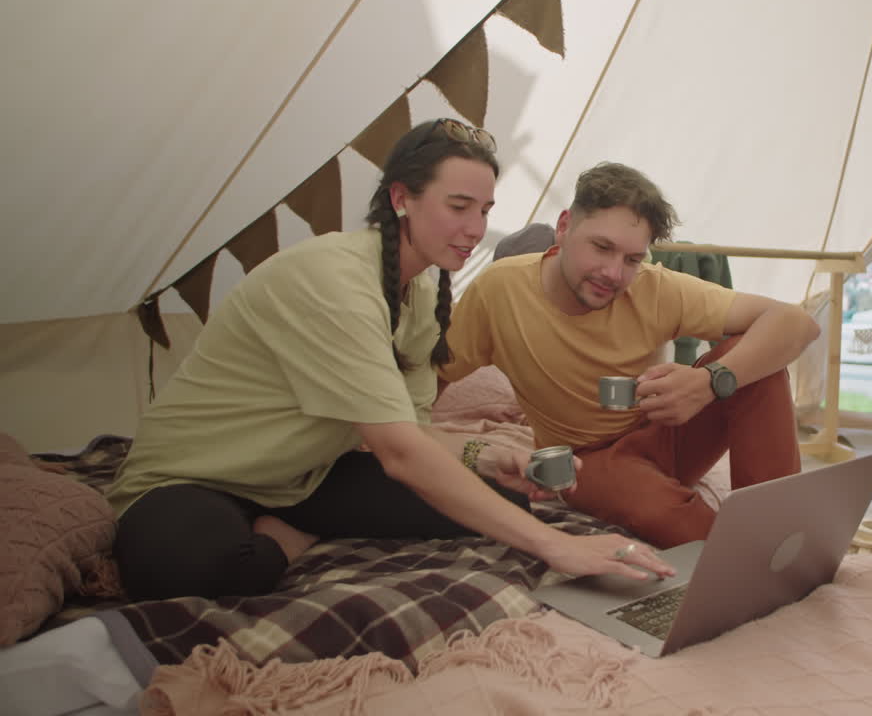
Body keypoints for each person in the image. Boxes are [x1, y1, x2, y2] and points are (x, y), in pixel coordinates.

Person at [106, 120, 673, 601]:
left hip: (303, 476)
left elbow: (416, 431)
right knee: (181, 569)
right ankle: (288, 537)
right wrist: (560, 546)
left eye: (485, 210)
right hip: (198, 477)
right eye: (458, 207)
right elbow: (400, 454)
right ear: (402, 198)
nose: (475, 229)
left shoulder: (421, 294)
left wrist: (483, 454)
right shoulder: (333, 281)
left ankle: (292, 519)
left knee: (495, 498)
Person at [438, 162, 820, 548]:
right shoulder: (499, 290)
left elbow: (796, 323)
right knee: (672, 521)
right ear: (565, 225)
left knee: (754, 360)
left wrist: (708, 381)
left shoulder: (656, 288)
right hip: (589, 459)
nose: (613, 273)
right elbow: (427, 386)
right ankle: (753, 557)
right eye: (602, 247)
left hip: (667, 432)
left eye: (632, 259)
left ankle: (775, 530)